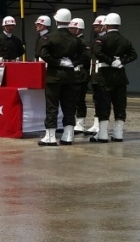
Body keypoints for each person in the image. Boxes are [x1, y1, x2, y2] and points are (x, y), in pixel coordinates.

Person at [90, 13, 137, 143]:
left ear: (106, 24)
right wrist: (121, 61)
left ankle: (103, 134)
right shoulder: (125, 40)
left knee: (104, 105)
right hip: (120, 77)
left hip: (105, 76)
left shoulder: (102, 40)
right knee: (120, 106)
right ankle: (118, 134)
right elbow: (134, 55)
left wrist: (110, 61)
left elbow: (97, 52)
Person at [38, 8, 81, 146]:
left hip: (54, 75)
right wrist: (72, 62)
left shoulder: (49, 37)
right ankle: (68, 136)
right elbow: (85, 55)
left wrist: (57, 62)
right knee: (69, 105)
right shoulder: (75, 39)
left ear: (56, 21)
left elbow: (43, 54)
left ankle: (50, 136)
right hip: (70, 75)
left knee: (52, 106)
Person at [68, 18, 92, 134]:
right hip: (72, 74)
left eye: (73, 28)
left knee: (79, 100)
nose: (71, 30)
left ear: (79, 29)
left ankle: (81, 123)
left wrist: (75, 62)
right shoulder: (72, 41)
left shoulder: (83, 42)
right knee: (72, 99)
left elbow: (87, 57)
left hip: (80, 74)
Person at [85, 15, 107, 135]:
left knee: (102, 100)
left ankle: (100, 124)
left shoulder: (105, 40)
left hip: (102, 75)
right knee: (96, 99)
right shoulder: (96, 40)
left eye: (97, 25)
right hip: (95, 73)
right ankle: (96, 123)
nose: (95, 27)